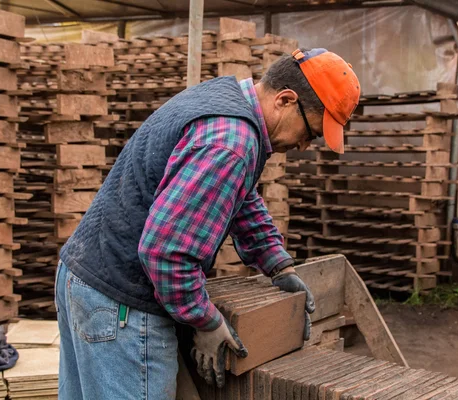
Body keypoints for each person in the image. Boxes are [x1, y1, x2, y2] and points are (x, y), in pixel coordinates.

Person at [54, 48, 360, 399]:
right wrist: (204, 320)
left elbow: (239, 196)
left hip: (86, 278)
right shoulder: (230, 141)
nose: (305, 146)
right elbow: (165, 251)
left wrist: (279, 265)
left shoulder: (223, 98)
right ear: (286, 100)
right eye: (311, 133)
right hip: (121, 304)